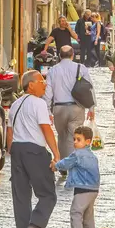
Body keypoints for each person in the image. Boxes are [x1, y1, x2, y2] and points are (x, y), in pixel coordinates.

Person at [7, 70, 61, 228]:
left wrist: (12, 152)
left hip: (17, 150)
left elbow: (9, 132)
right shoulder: (38, 103)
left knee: (21, 194)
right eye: (41, 81)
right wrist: (56, 153)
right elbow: (45, 129)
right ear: (31, 85)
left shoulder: (15, 105)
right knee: (47, 193)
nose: (44, 84)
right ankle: (36, 225)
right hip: (34, 151)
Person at [43, 45, 95, 176]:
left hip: (58, 108)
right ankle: (73, 166)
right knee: (75, 138)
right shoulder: (80, 68)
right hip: (76, 108)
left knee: (62, 137)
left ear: (60, 56)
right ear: (72, 55)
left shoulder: (53, 70)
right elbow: (90, 88)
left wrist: (48, 112)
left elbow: (48, 93)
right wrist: (91, 107)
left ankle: (63, 167)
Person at [55, 126, 101, 228]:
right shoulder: (93, 156)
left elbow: (66, 163)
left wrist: (55, 165)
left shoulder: (77, 155)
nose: (75, 142)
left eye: (78, 139)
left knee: (76, 212)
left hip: (82, 188)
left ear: (88, 141)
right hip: (93, 189)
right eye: (74, 139)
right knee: (88, 215)